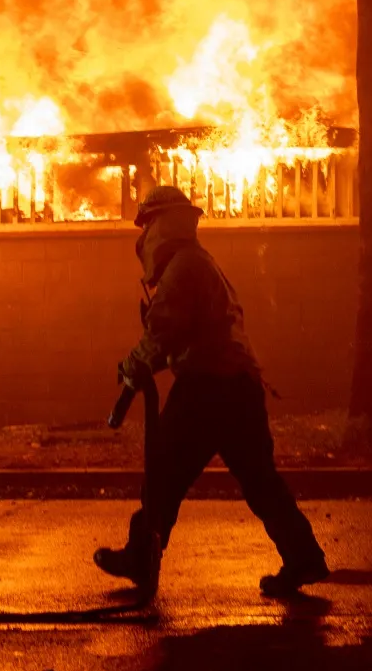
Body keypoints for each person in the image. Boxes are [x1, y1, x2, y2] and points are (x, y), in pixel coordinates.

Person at [94, 184, 330, 598]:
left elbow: (163, 330)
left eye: (147, 224)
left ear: (160, 225)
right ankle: (304, 557)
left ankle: (140, 556)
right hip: (238, 386)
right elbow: (179, 333)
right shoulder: (195, 263)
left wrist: (133, 366)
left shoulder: (184, 268)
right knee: (260, 482)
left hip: (207, 388)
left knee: (164, 471)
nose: (143, 236)